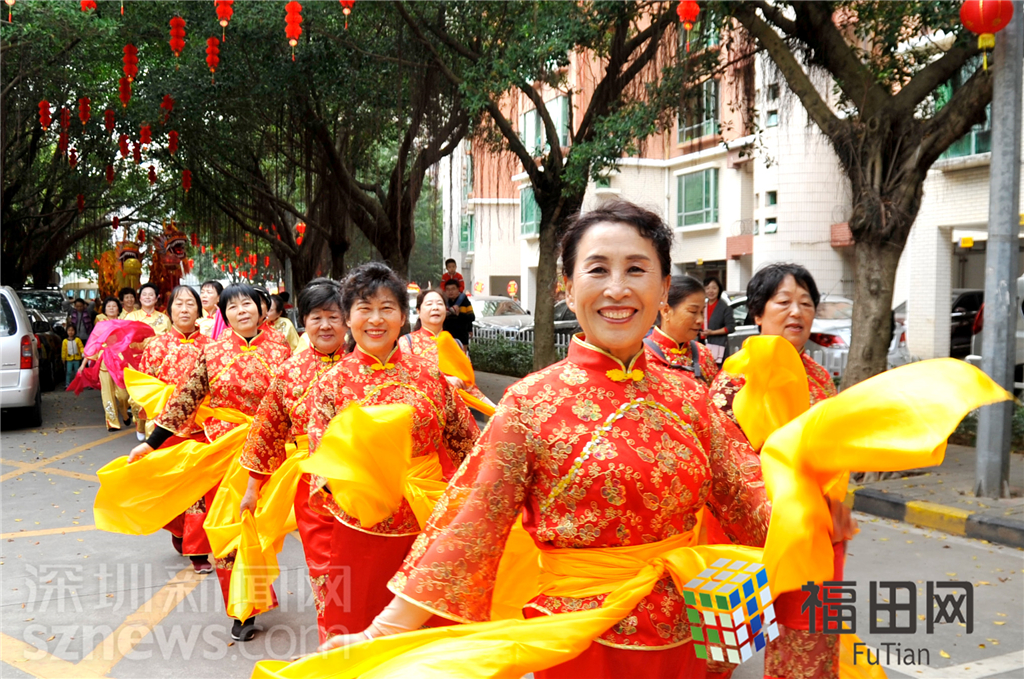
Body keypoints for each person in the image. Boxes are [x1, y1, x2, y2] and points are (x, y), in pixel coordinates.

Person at [317, 201, 786, 677]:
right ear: (568, 286)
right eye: (597, 269)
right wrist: (382, 632)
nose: (617, 288)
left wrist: (809, 505)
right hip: (574, 644)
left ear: (663, 287)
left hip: (686, 635)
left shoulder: (691, 398)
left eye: (636, 269)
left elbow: (751, 497)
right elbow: (471, 521)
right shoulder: (531, 403)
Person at [305, 262, 480, 638]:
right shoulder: (331, 384)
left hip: (430, 527)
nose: (375, 319)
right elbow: (322, 461)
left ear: (403, 316)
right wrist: (365, 486)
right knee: (356, 628)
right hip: (360, 527)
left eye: (387, 308)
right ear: (348, 318)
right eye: (364, 308)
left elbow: (470, 446)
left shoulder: (431, 377)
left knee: (428, 636)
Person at [125, 283, 292, 642]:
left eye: (247, 304)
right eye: (232, 307)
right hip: (224, 453)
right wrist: (151, 444)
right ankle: (242, 608)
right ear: (223, 315)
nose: (241, 311)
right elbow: (185, 400)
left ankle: (256, 591)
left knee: (261, 530)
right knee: (228, 531)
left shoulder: (281, 349)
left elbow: (296, 398)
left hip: (271, 453)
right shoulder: (212, 353)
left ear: (262, 310)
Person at [708, 263, 847, 679]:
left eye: (806, 303)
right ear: (757, 312)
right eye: (783, 302)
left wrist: (837, 504)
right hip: (743, 542)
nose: (796, 312)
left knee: (810, 651)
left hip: (815, 538)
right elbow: (721, 462)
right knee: (717, 657)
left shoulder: (820, 378)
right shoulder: (735, 378)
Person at [237, 281, 347, 643]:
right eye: (317, 317)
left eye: (333, 316)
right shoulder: (289, 372)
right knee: (324, 567)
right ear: (304, 322)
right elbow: (266, 431)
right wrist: (252, 489)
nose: (325, 325)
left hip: (365, 481)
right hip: (311, 485)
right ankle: (333, 639)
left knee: (364, 566)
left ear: (347, 320)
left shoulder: (363, 365)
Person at [136, 285, 214, 574]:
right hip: (166, 433)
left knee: (198, 494)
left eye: (190, 303)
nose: (184, 309)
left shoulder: (212, 347)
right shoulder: (156, 347)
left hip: (202, 432)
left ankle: (199, 551)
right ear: (169, 311)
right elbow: (142, 389)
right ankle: (179, 531)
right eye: (178, 304)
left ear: (199, 311)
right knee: (170, 491)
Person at [400, 288, 495, 410]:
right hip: (424, 413)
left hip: (455, 413)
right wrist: (444, 381)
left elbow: (469, 387)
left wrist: (495, 409)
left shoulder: (455, 344)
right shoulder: (407, 342)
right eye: (429, 304)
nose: (435, 307)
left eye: (440, 304)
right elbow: (406, 380)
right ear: (418, 311)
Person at [644, 274, 719, 388]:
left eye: (701, 312)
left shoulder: (703, 354)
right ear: (666, 311)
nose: (700, 320)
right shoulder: (643, 356)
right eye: (693, 311)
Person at [125, 283, 171, 439]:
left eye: (151, 294)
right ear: (140, 298)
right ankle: (140, 424)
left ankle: (152, 432)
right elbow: (124, 340)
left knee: (155, 396)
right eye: (144, 294)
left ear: (157, 298)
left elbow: (170, 341)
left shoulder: (164, 319)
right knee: (135, 398)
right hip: (136, 361)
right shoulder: (131, 317)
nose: (147, 297)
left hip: (158, 363)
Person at [89, 297, 131, 430]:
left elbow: (129, 341)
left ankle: (125, 412)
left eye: (114, 306)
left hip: (120, 361)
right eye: (108, 306)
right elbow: (94, 342)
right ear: (104, 310)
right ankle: (112, 422)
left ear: (119, 309)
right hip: (104, 361)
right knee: (107, 393)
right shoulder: (100, 325)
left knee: (123, 394)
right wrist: (90, 359)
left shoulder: (124, 323)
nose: (111, 308)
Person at [701, 276, 734, 364]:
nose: (710, 291)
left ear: (719, 290)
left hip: (718, 346)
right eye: (707, 288)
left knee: (716, 368)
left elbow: (730, 327)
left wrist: (712, 332)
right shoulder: (702, 306)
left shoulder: (724, 307)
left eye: (714, 288)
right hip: (701, 345)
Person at [441, 278, 474, 346]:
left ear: (458, 289)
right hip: (446, 337)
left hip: (462, 337)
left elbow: (471, 317)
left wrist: (459, 314)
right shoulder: (442, 302)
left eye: (453, 289)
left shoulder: (464, 301)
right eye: (448, 289)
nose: (450, 292)